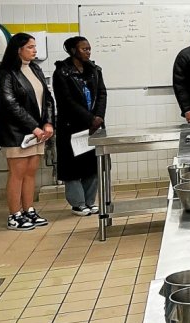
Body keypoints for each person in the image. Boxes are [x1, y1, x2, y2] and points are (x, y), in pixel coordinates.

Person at [0, 33, 54, 230]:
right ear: (18, 49)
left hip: (37, 131)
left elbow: (47, 99)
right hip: (16, 132)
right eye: (30, 47)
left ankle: (29, 210)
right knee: (17, 173)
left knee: (30, 173)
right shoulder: (5, 73)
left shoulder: (34, 69)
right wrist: (33, 127)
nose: (35, 50)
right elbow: (10, 104)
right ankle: (15, 214)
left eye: (35, 46)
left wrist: (48, 123)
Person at [53, 36, 107, 216]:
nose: (88, 52)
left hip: (94, 124)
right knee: (73, 166)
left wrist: (98, 117)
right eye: (84, 49)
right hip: (72, 125)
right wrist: (89, 118)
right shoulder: (62, 72)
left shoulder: (94, 70)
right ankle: (78, 203)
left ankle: (90, 201)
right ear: (72, 51)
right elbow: (66, 101)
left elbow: (102, 93)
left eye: (89, 48)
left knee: (92, 163)